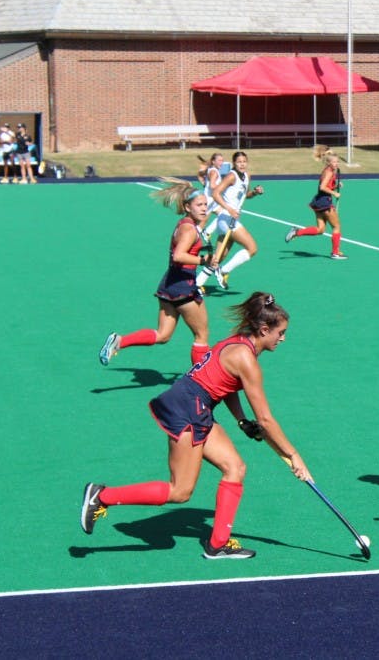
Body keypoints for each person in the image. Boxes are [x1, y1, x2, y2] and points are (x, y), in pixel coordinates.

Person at [82, 292, 312, 560]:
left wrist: (240, 421)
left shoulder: (237, 343)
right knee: (180, 491)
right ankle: (103, 496)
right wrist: (293, 455)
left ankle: (217, 544)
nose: (282, 338)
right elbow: (266, 420)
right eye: (280, 333)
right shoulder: (247, 360)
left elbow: (226, 385)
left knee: (234, 468)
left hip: (193, 404)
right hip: (188, 409)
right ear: (264, 329)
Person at [99, 180, 215, 368]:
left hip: (169, 284)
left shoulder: (185, 223)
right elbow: (179, 256)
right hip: (184, 288)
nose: (204, 209)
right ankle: (200, 381)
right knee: (202, 334)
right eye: (199, 205)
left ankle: (119, 341)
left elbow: (195, 233)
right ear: (187, 207)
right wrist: (204, 261)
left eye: (205, 205)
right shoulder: (189, 229)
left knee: (163, 335)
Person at [196, 150, 263, 290]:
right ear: (234, 163)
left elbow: (246, 195)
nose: (242, 164)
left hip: (229, 220)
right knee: (252, 248)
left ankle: (197, 284)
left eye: (244, 161)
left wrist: (255, 193)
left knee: (218, 257)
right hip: (226, 218)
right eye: (239, 162)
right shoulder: (231, 176)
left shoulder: (247, 176)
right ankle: (224, 271)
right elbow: (215, 193)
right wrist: (229, 209)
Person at [284, 145, 347, 260]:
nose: (337, 164)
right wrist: (335, 193)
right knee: (337, 226)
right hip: (325, 202)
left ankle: (296, 232)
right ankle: (335, 252)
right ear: (328, 163)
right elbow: (323, 187)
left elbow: (326, 185)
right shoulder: (329, 172)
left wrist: (336, 185)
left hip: (318, 202)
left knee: (320, 229)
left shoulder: (328, 171)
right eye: (334, 162)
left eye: (338, 162)